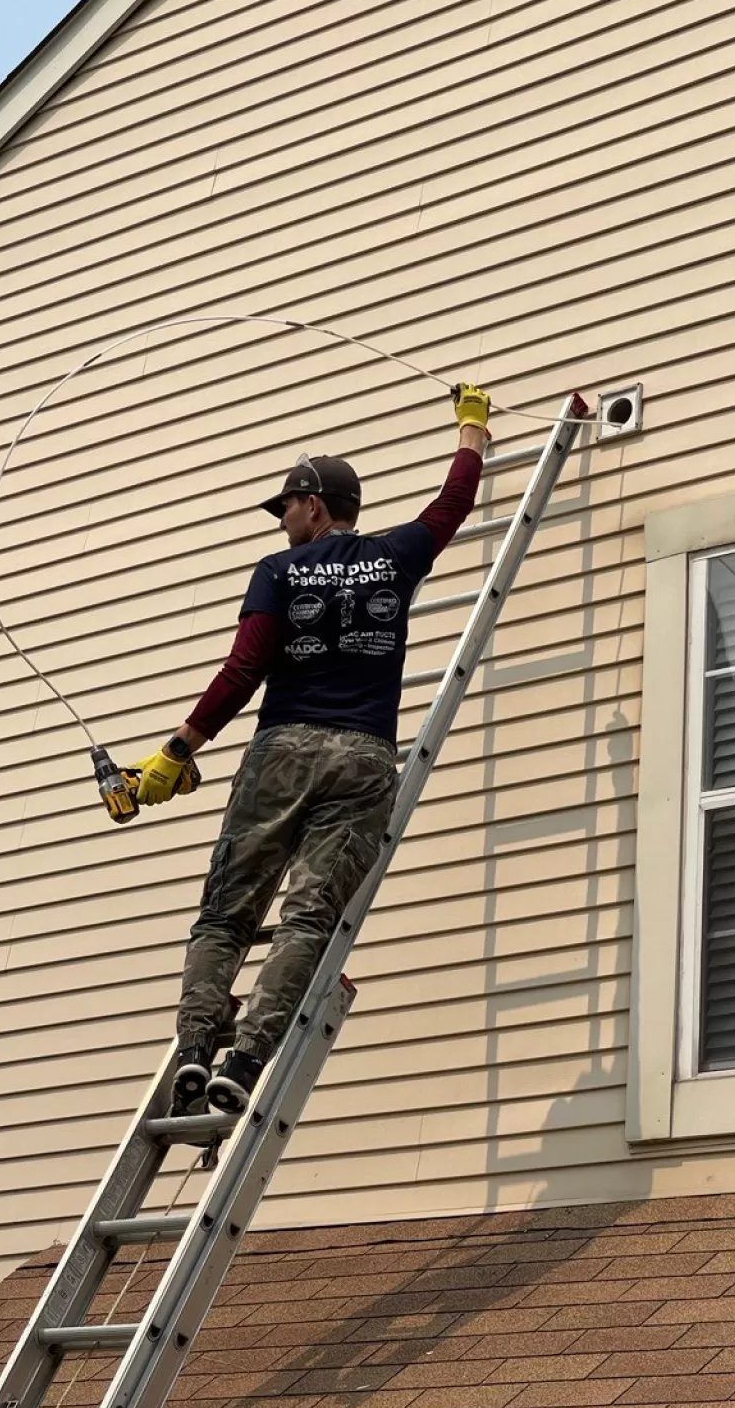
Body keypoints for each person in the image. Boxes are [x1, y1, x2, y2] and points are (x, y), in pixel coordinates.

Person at [132, 383, 492, 1116]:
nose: (283, 518)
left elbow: (245, 668)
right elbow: (451, 506)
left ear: (315, 507)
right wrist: (471, 429)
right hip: (363, 757)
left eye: (287, 507)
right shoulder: (395, 556)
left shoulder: (280, 569)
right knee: (307, 918)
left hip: (284, 751)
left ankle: (198, 1048)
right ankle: (249, 1057)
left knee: (226, 916)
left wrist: (177, 749)